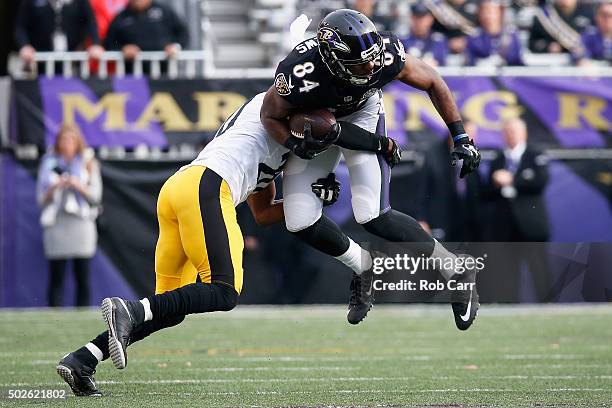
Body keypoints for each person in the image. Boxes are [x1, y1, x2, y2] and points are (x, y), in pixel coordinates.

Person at [55, 91, 383, 396]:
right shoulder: (275, 110)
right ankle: (127, 310)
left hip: (179, 189)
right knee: (224, 290)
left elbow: (265, 213)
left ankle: (83, 359)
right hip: (207, 185)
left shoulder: (270, 141)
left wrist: (311, 196)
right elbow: (290, 98)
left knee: (167, 308)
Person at [260, 9, 481, 329]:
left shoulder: (383, 54)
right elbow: (269, 116)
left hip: (362, 113)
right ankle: (363, 266)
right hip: (317, 123)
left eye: (374, 57)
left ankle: (454, 270)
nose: (373, 66)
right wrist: (294, 145)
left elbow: (432, 80)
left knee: (373, 214)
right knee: (300, 220)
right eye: (361, 63)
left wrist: (460, 136)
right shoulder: (299, 73)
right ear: (334, 61)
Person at [484, 118, 551, 302]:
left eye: (515, 131)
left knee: (539, 268)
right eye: (507, 131)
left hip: (531, 225)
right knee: (507, 270)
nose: (511, 135)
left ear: (524, 133)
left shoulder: (535, 154)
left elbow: (540, 181)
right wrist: (496, 183)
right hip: (505, 226)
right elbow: (487, 191)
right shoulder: (498, 159)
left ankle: (547, 305)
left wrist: (511, 179)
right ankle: (509, 304)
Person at [37, 125, 102, 307]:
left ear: (78, 142)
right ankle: (53, 317)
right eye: (63, 140)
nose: (67, 144)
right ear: (58, 142)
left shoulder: (88, 162)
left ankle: (83, 315)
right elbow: (40, 200)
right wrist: (55, 186)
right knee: (56, 277)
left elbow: (96, 198)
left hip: (81, 225)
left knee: (82, 276)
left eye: (71, 140)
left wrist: (77, 185)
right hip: (56, 224)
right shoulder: (48, 163)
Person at [417, 121, 483, 242]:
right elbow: (421, 189)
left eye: (474, 135)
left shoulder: (473, 156)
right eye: (468, 136)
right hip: (440, 221)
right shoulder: (433, 155)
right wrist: (421, 219)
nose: (472, 140)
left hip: (466, 223)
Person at [15, 0, 104, 72]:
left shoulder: (80, 2)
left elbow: (91, 22)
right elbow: (20, 26)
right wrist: (24, 46)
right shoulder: (30, 2)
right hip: (41, 61)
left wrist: (96, 43)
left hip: (73, 60)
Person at [104, 0, 189, 74]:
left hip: (164, 73)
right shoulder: (121, 17)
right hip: (133, 74)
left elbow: (183, 33)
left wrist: (175, 46)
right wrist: (123, 49)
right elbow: (110, 42)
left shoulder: (164, 11)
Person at [465, 0, 524, 66]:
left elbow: (516, 60)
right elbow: (471, 63)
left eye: (492, 12)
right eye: (484, 12)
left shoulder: (511, 34)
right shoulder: (474, 37)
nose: (488, 16)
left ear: (501, 13)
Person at [529, 0, 594, 54]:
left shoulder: (588, 13)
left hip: (583, 63)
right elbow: (533, 44)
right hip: (552, 64)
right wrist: (548, 47)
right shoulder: (543, 16)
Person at [401, 3, 449, 67]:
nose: (419, 22)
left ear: (431, 19)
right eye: (416, 17)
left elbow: (442, 63)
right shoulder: (402, 40)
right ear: (411, 18)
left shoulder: (439, 39)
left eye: (423, 18)